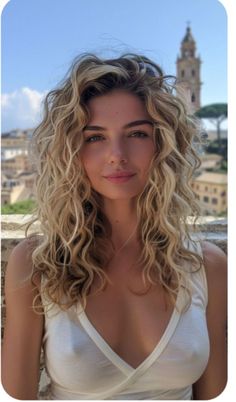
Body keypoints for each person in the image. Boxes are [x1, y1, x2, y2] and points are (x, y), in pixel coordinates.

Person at [2, 53, 227, 400]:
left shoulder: (207, 266)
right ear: (70, 151)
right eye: (95, 137)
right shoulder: (35, 264)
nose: (116, 154)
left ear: (164, 144)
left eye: (137, 133)